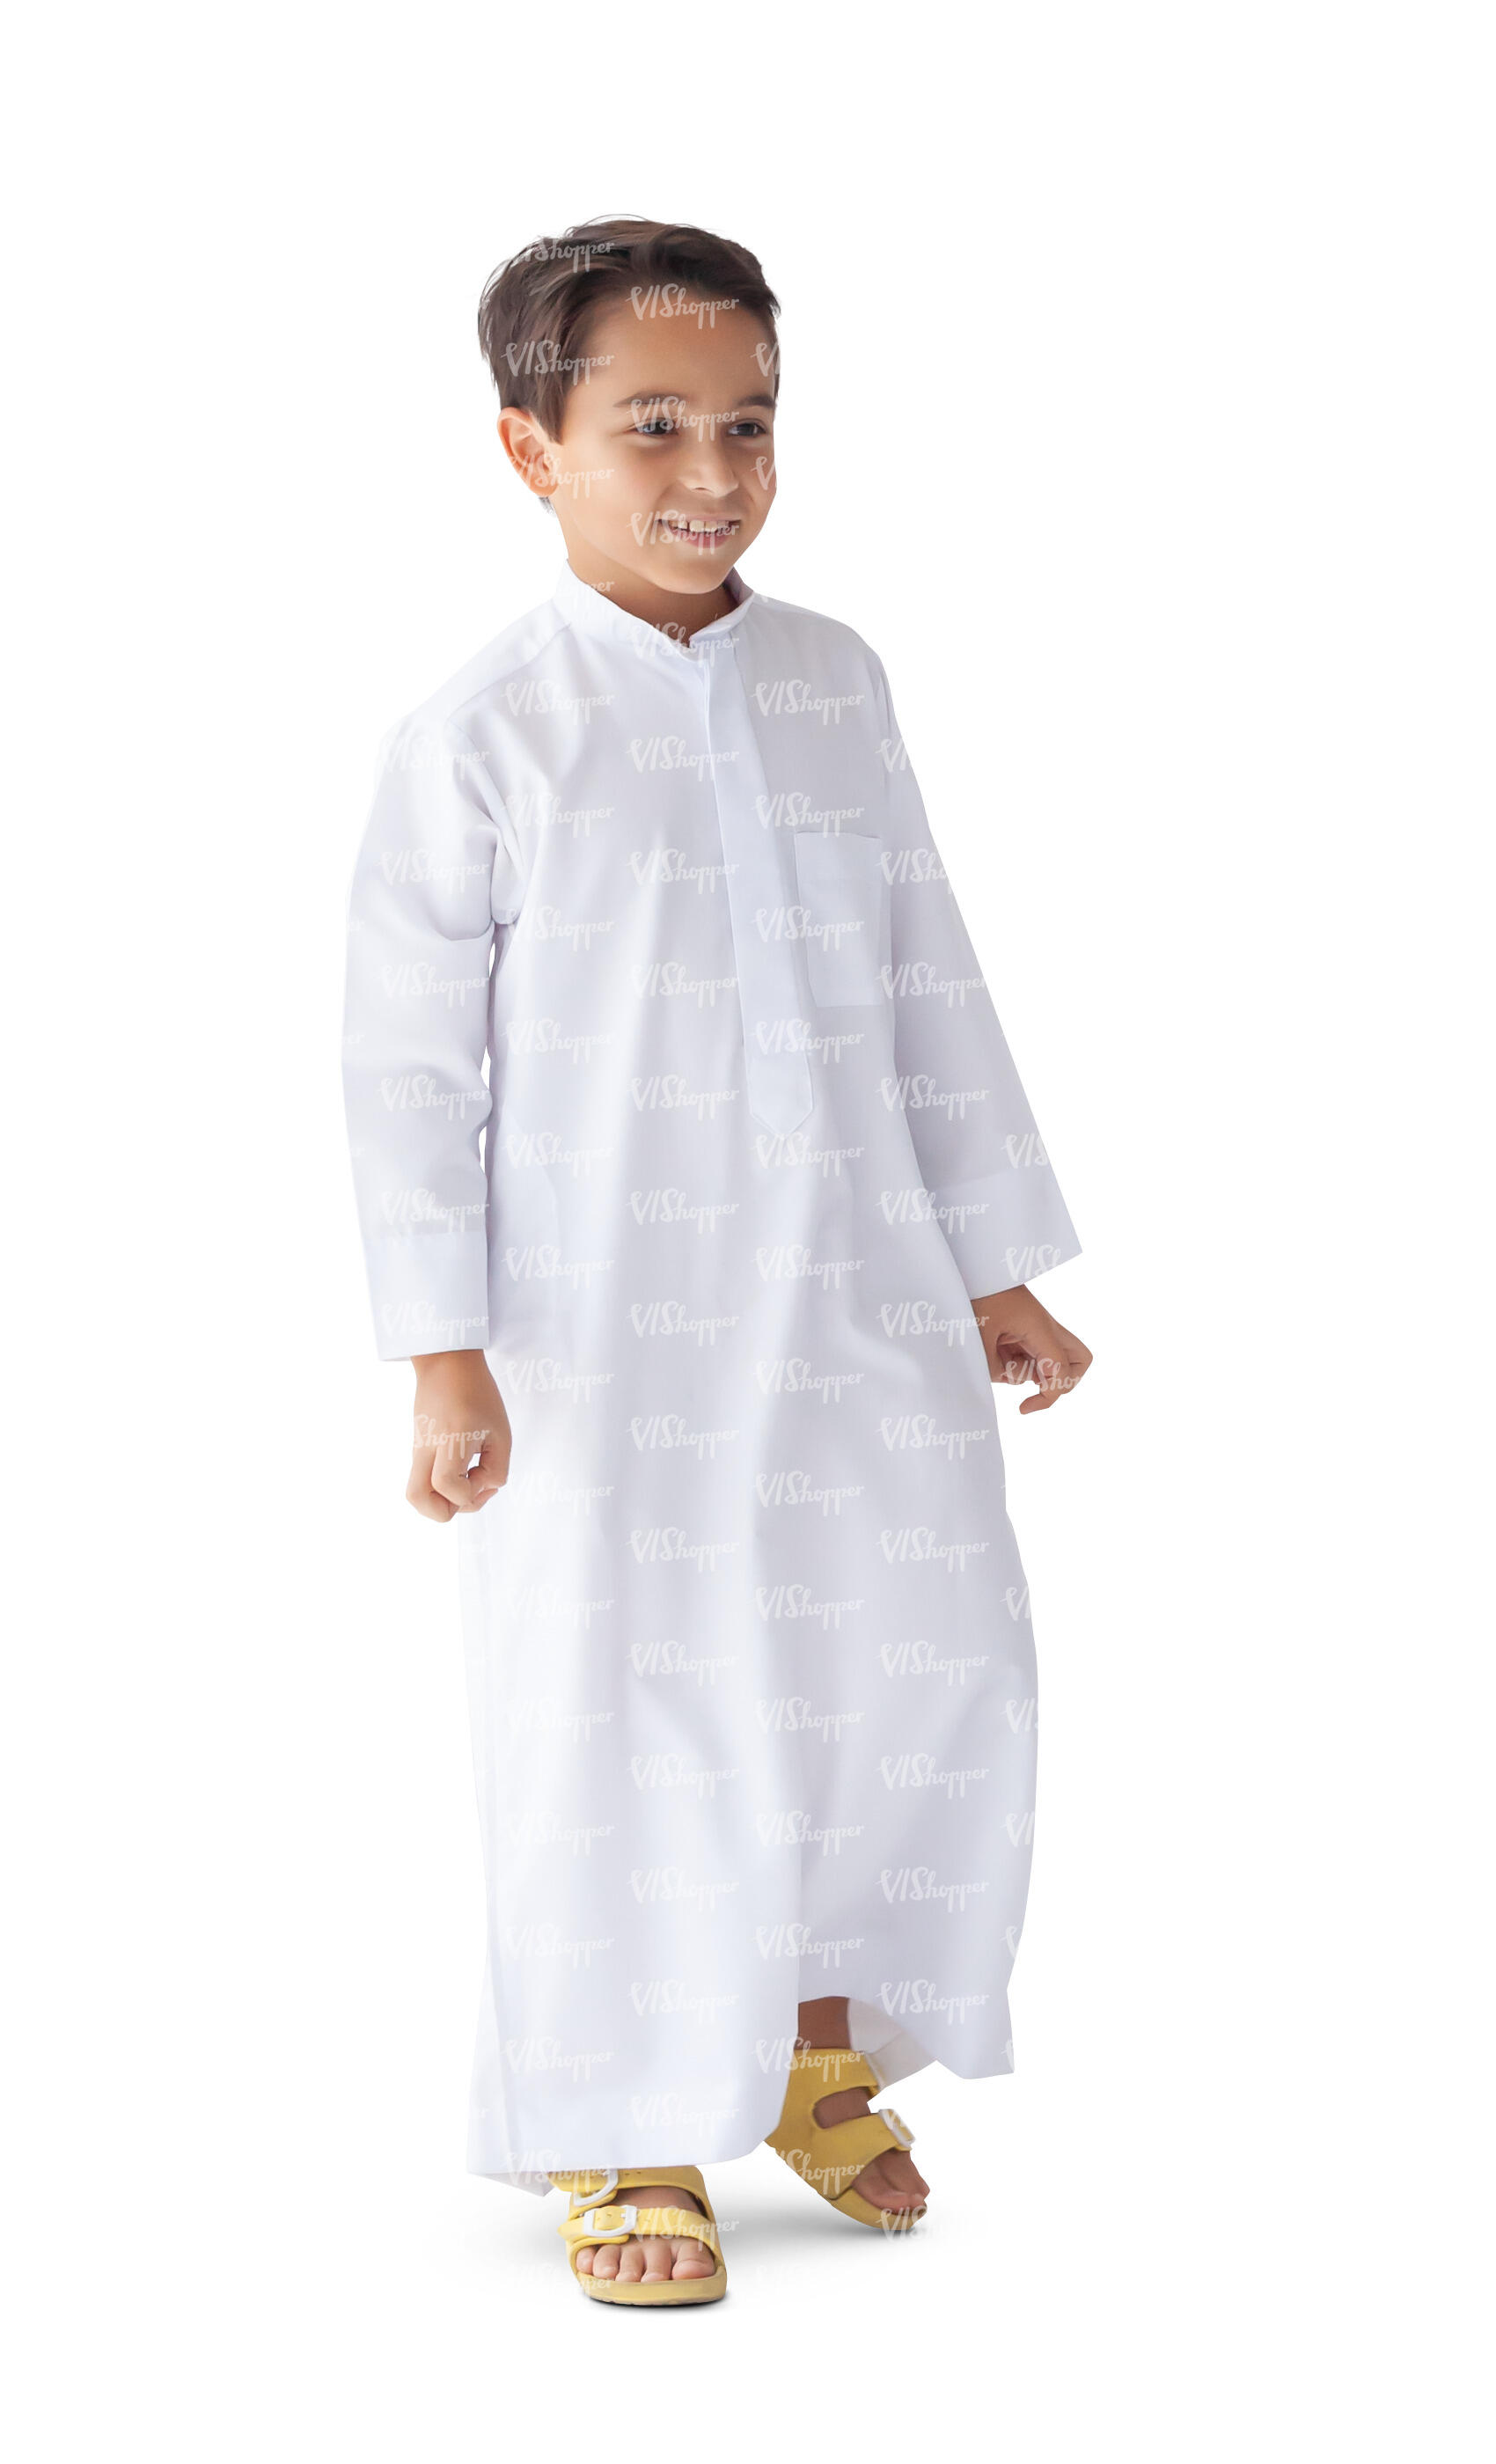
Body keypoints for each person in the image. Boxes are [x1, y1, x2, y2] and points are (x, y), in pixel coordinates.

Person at [341, 215, 1091, 2308]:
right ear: (530, 447)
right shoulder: (485, 729)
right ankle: (622, 2108)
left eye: (747, 423)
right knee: (626, 1692)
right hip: (606, 1328)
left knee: (885, 1663)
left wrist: (992, 1259)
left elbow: (925, 959)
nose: (712, 470)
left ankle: (805, 2052)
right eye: (652, 424)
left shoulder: (834, 678)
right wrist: (446, 1347)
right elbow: (406, 1065)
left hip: (857, 1289)